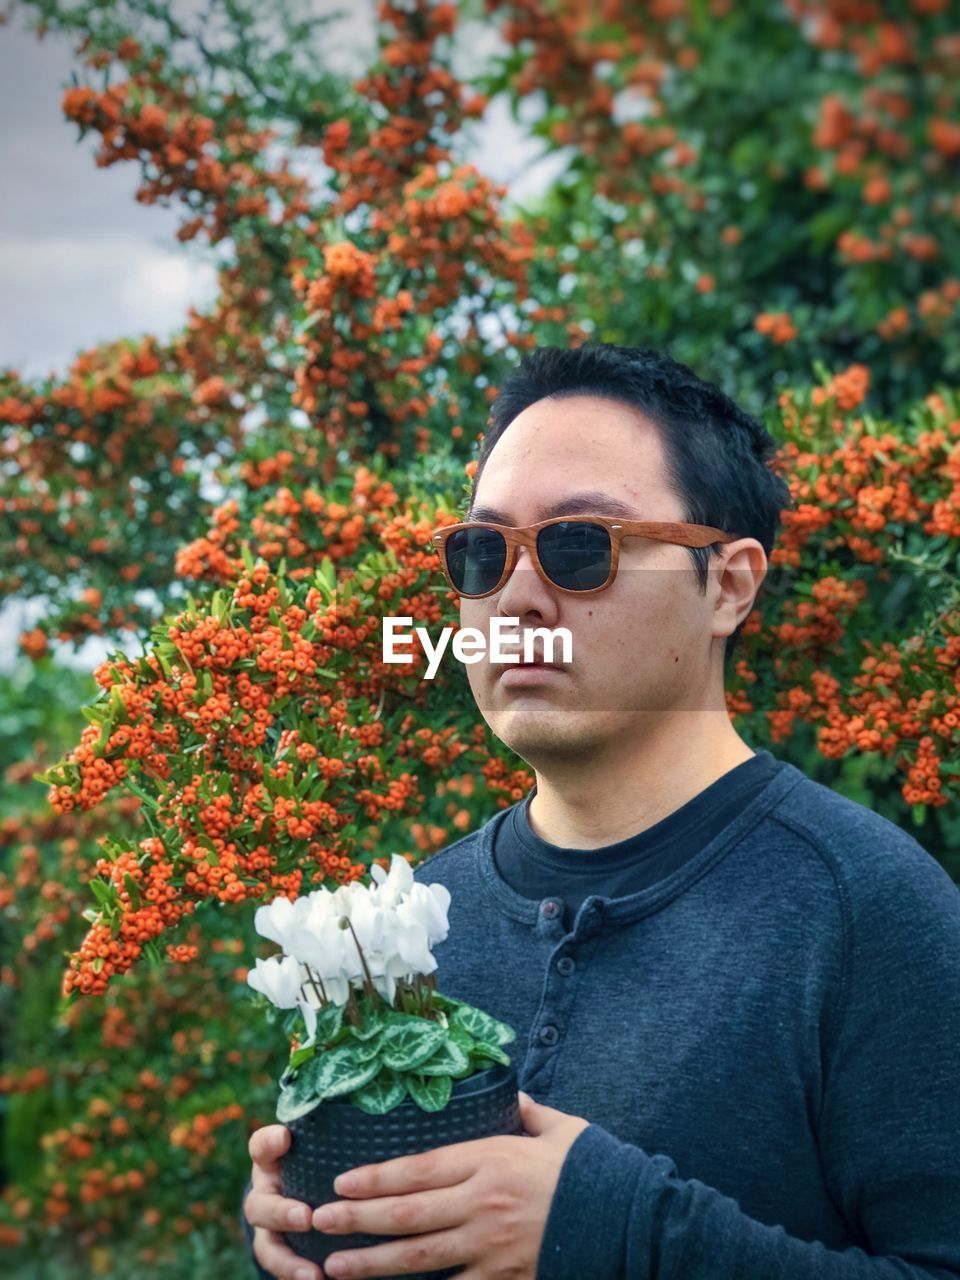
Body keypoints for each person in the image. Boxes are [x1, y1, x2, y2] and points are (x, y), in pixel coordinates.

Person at [242, 342, 960, 1279]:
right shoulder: (409, 929)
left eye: (582, 546)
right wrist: (314, 1239)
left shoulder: (865, 908)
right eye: (483, 552)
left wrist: (610, 1229)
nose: (517, 597)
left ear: (730, 586)